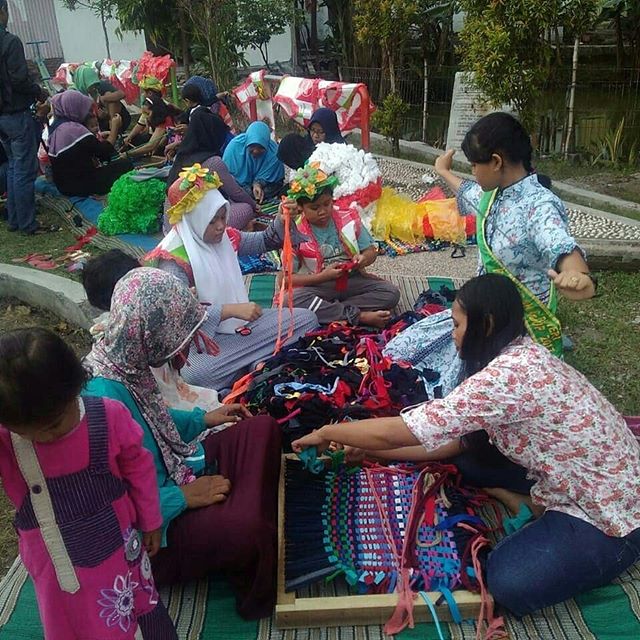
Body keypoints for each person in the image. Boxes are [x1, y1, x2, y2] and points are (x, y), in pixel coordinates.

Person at [292, 273, 640, 617]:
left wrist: (328, 433)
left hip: (612, 513)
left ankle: (580, 531)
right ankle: (534, 505)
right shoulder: (520, 354)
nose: (453, 334)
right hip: (582, 474)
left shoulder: (505, 378)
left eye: (457, 325)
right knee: (468, 462)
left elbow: (402, 431)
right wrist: (369, 452)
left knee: (506, 580)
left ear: (485, 325)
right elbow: (453, 443)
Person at [84, 268, 283, 619]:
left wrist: (202, 420)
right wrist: (182, 497)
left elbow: (152, 420)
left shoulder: (125, 362)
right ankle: (252, 558)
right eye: (176, 335)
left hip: (176, 472)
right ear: (151, 333)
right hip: (153, 534)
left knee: (262, 428)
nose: (182, 346)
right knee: (248, 530)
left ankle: (247, 506)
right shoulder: (100, 399)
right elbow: (103, 502)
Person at [384, 112, 596, 394]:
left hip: (517, 329)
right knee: (402, 349)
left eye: (474, 165)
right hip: (483, 315)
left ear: (496, 162)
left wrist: (576, 275)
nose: (472, 171)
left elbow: (560, 244)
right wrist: (443, 171)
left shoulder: (539, 206)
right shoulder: (493, 193)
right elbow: (468, 191)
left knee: (464, 391)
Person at [0, 328, 177, 639]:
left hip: (117, 551)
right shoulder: (7, 443)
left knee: (129, 609)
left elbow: (139, 467)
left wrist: (151, 520)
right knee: (69, 620)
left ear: (76, 387)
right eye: (28, 431)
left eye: (54, 423)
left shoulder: (108, 417)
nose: (45, 436)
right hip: (55, 565)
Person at [147, 164, 318, 390]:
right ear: (194, 219)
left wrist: (281, 218)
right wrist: (229, 310)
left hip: (243, 326)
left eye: (223, 217)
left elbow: (266, 240)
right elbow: (177, 318)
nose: (220, 226)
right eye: (212, 221)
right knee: (195, 374)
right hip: (205, 342)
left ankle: (249, 366)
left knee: (307, 320)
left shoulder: (226, 237)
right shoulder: (174, 260)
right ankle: (260, 362)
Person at [285, 164, 400, 328]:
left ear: (332, 200)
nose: (322, 211)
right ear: (301, 208)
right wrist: (323, 277)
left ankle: (330, 310)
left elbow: (371, 251)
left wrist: (364, 259)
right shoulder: (294, 232)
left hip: (352, 280)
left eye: (327, 204)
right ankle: (359, 316)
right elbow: (285, 279)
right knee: (289, 300)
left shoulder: (349, 219)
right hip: (318, 285)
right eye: (314, 208)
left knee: (391, 293)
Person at [0, 0, 48, 234]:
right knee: (24, 170)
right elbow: (19, 79)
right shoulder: (10, 41)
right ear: (2, 11)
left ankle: (15, 220)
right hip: (16, 113)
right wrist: (38, 91)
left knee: (13, 167)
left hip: (2, 117)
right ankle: (28, 223)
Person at [48, 91, 133, 197]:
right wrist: (114, 129)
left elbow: (87, 146)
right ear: (74, 108)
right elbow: (104, 152)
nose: (85, 112)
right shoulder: (73, 130)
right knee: (125, 165)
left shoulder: (58, 127)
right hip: (81, 186)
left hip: (65, 185)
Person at [166, 76, 231, 186]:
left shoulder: (199, 115)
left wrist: (182, 139)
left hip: (205, 154)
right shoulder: (203, 110)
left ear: (187, 101)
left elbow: (198, 137)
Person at [223, 121, 284, 204]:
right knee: (234, 190)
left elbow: (275, 177)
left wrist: (258, 183)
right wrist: (248, 189)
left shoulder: (274, 152)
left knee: (274, 187)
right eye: (252, 146)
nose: (256, 151)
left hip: (266, 184)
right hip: (240, 185)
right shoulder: (235, 147)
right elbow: (227, 176)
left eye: (261, 147)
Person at [73, 64, 131, 137]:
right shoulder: (76, 96)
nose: (94, 87)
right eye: (91, 84)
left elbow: (122, 94)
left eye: (94, 83)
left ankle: (113, 127)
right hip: (94, 126)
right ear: (83, 82)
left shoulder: (100, 85)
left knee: (109, 95)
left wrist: (103, 98)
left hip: (118, 120)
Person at [121, 95, 180, 159]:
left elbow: (151, 146)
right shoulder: (159, 117)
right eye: (144, 113)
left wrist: (128, 154)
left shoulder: (165, 120)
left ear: (156, 111)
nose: (145, 117)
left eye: (147, 113)